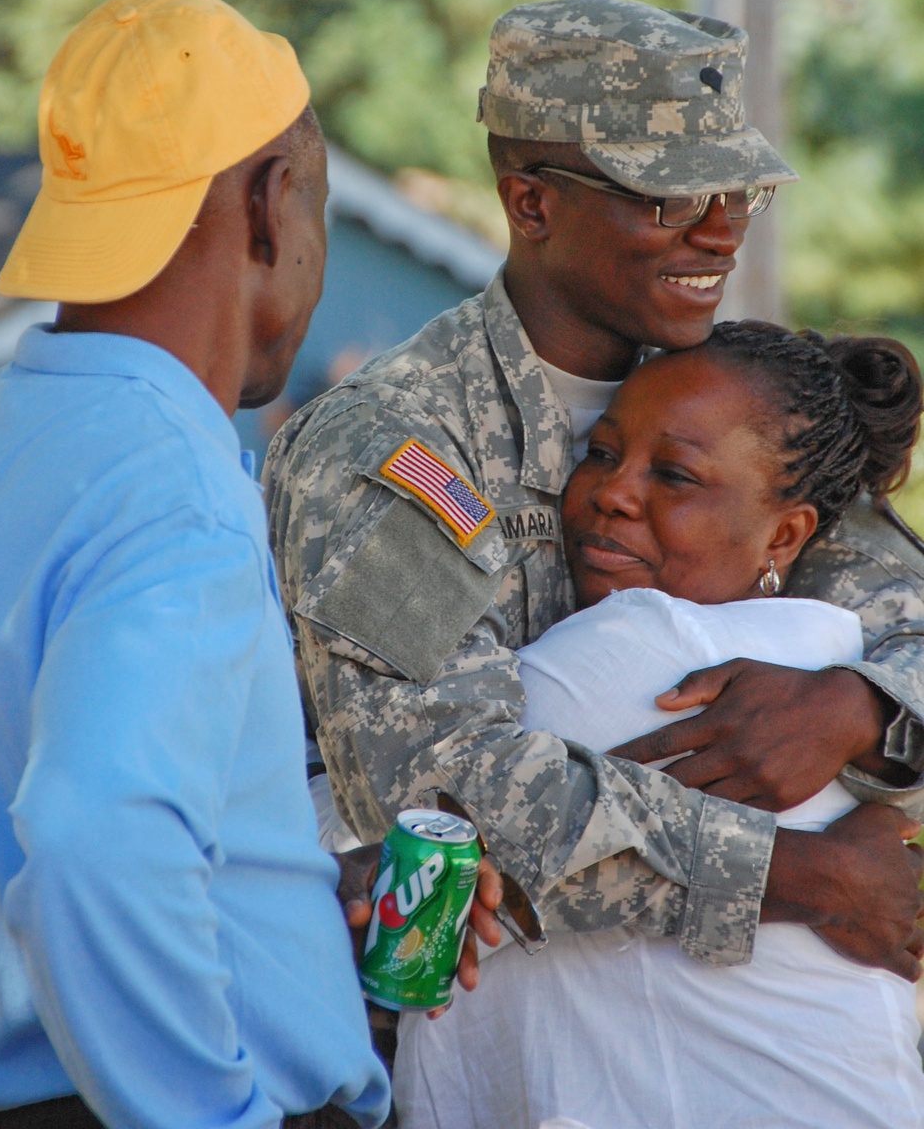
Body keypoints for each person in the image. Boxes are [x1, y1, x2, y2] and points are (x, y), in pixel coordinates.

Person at [264, 0, 924, 983]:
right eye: (671, 198)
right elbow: (444, 798)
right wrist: (811, 872)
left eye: (737, 191)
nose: (719, 232)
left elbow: (902, 618)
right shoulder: (398, 445)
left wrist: (860, 711)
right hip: (464, 1047)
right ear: (533, 202)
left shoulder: (734, 401)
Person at [0, 0, 392, 1129]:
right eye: (319, 204)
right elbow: (94, 838)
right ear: (275, 205)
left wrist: (264, 903)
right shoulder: (172, 487)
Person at [394, 322, 924, 1129]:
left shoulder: (644, 650)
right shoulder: (832, 651)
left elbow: (398, 826)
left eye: (674, 475)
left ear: (786, 535)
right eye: (600, 453)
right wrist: (814, 870)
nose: (612, 491)